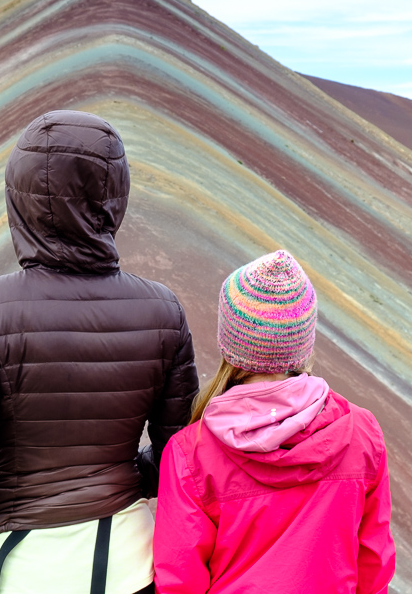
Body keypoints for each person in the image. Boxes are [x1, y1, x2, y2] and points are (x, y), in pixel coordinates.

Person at [0, 109, 198, 594]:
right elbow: (181, 451)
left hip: (18, 565)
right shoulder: (163, 310)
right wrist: (125, 474)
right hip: (126, 562)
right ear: (115, 196)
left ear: (19, 194)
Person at [152, 250, 396, 593]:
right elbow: (374, 563)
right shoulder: (362, 432)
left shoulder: (190, 453)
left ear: (230, 341)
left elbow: (180, 582)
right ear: (303, 341)